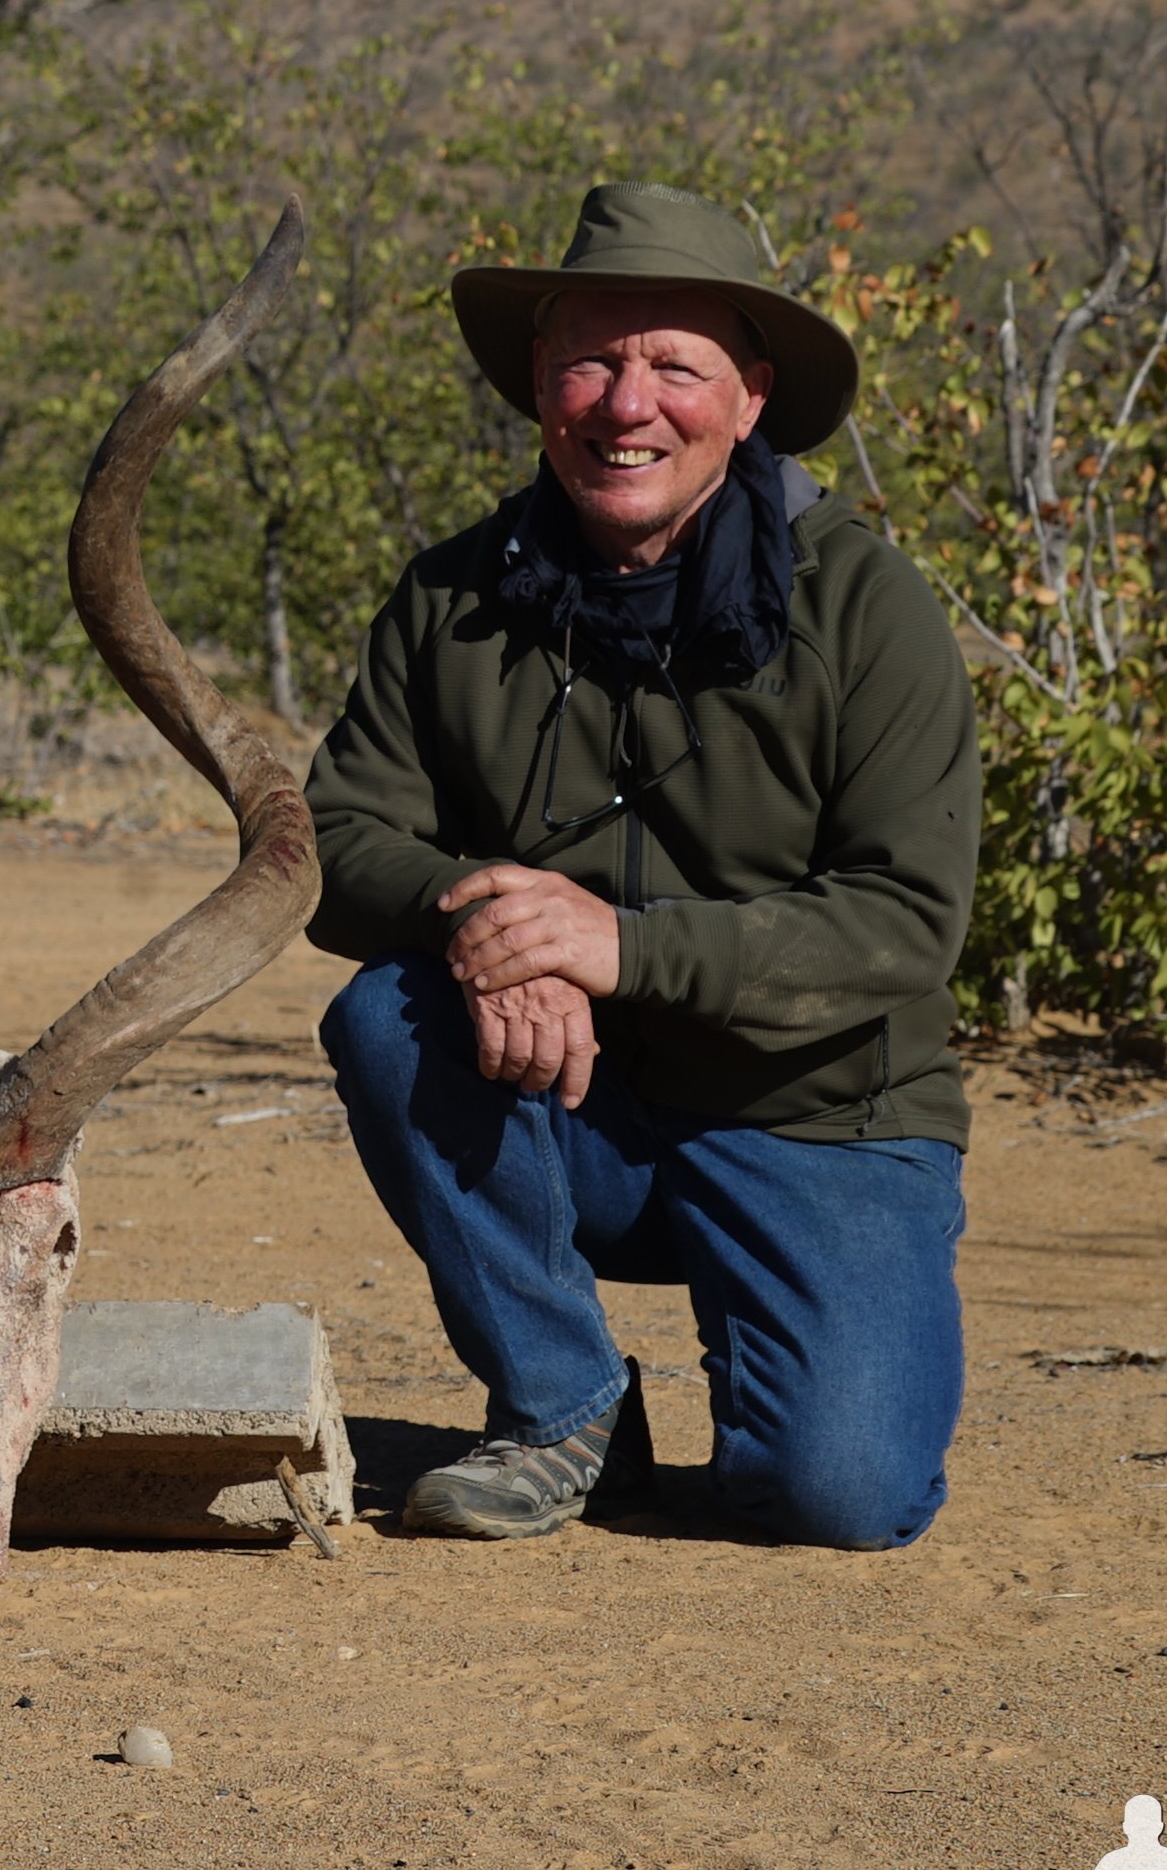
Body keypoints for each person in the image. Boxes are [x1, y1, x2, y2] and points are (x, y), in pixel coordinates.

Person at [307, 181, 978, 1548]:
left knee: (835, 1497)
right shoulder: (451, 596)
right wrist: (488, 921)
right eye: (592, 362)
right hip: (571, 1102)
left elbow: (905, 922)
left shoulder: (866, 603)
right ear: (540, 388)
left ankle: (781, 1346)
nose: (628, 405)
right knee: (389, 1011)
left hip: (820, 1115)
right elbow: (333, 839)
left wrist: (616, 947)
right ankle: (565, 1409)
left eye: (676, 366)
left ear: (750, 398)